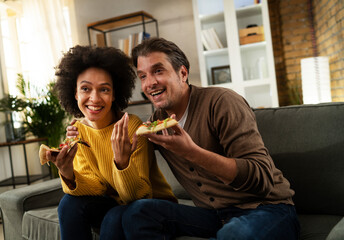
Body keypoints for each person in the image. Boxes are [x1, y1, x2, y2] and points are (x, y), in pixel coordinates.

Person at [67, 38, 300, 240]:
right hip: (212, 215)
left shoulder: (222, 102)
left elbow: (262, 178)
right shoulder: (156, 123)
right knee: (137, 212)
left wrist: (192, 151)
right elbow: (116, 155)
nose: (150, 83)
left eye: (158, 71)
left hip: (266, 208)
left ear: (183, 73)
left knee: (234, 235)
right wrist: (87, 129)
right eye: (143, 76)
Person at [48, 45, 177, 240]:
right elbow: (96, 187)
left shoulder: (131, 126)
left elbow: (138, 196)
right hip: (113, 204)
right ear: (75, 94)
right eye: (85, 89)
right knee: (68, 203)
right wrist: (68, 174)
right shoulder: (78, 131)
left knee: (114, 216)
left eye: (104, 90)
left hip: (149, 206)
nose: (94, 98)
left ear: (114, 94)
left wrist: (122, 163)